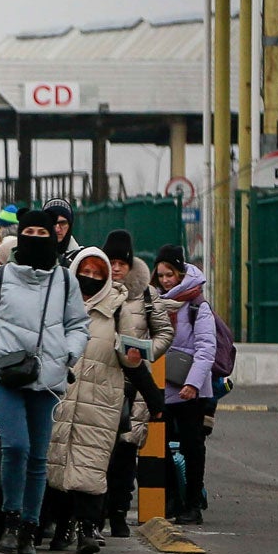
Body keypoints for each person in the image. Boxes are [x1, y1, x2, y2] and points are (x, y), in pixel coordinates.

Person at [0, 210, 89, 554]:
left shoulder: (64, 280)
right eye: (27, 231)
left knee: (39, 456)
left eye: (40, 232)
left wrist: (66, 355)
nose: (34, 237)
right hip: (4, 374)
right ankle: (11, 520)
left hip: (46, 378)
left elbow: (78, 326)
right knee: (15, 446)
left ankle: (30, 529)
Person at [42, 247, 150, 553]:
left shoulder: (118, 309)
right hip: (62, 394)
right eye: (84, 273)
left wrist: (131, 357)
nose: (89, 279)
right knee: (58, 460)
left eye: (96, 274)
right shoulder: (58, 303)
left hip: (100, 399)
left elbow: (132, 356)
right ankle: (61, 527)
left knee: (92, 464)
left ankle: (88, 526)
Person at [102, 228, 172, 537]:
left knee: (126, 455)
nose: (116, 268)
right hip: (103, 383)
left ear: (131, 265)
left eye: (122, 262)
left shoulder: (146, 294)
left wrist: (146, 354)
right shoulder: (95, 289)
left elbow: (165, 332)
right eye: (112, 261)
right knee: (100, 452)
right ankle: (94, 515)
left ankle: (118, 514)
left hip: (136, 386)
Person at [154, 246, 216, 525]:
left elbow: (206, 349)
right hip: (160, 387)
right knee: (158, 445)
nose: (166, 280)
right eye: (161, 275)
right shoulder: (154, 303)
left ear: (180, 272)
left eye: (171, 274)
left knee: (193, 447)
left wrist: (192, 383)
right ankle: (169, 500)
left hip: (190, 390)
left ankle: (193, 502)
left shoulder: (197, 306)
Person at [43, 200, 81, 267]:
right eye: (53, 223)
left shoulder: (80, 259)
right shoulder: (30, 256)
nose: (57, 229)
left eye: (63, 223)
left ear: (70, 225)